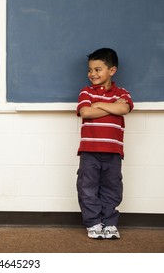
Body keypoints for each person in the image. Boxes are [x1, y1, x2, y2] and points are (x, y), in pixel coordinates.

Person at [76, 48, 133, 239]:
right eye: (90, 70)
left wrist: (99, 104)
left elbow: (124, 108)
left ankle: (109, 223)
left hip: (113, 151)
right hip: (89, 151)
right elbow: (86, 113)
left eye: (98, 69)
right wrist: (112, 107)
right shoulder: (86, 92)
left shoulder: (122, 93)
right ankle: (93, 223)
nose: (92, 74)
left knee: (112, 188)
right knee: (87, 187)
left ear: (112, 70)